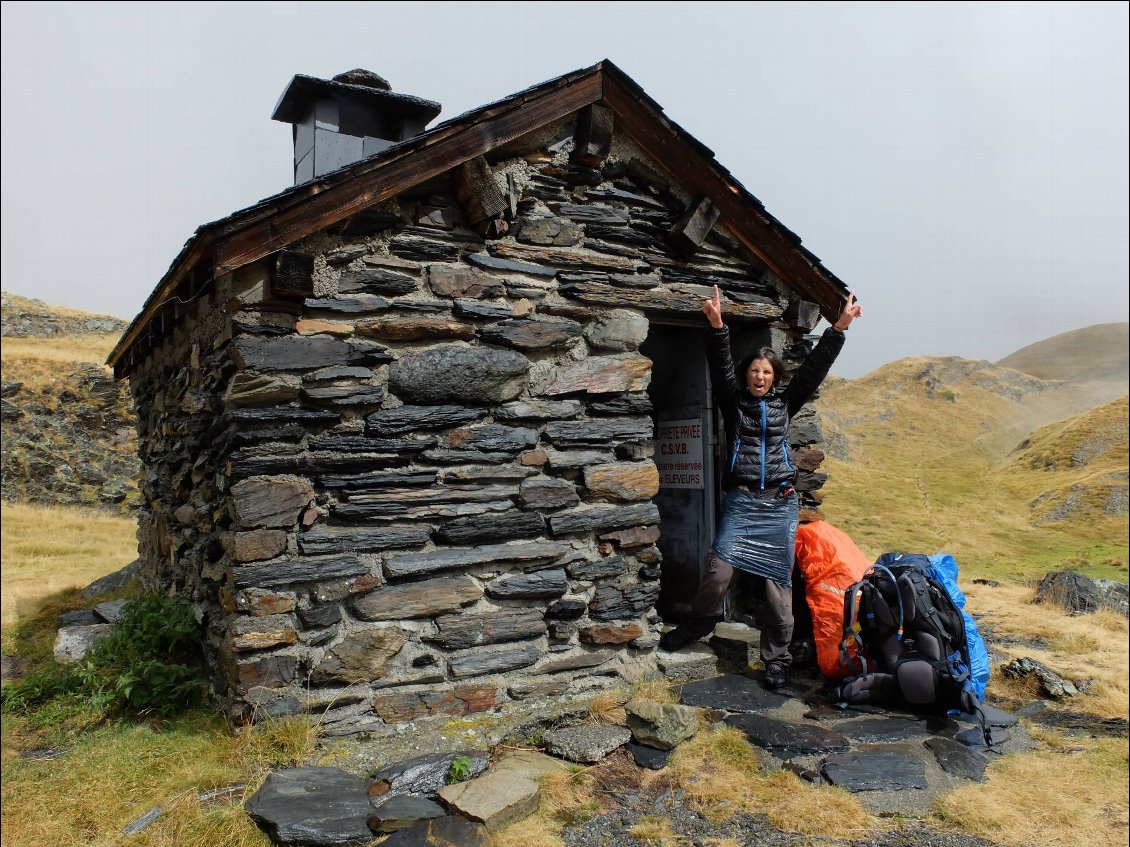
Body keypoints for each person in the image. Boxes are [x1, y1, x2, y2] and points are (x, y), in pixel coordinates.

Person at [659, 285, 863, 690]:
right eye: (754, 370)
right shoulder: (734, 406)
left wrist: (839, 327)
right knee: (717, 573)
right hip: (743, 501)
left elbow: (814, 369)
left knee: (778, 590)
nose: (760, 376)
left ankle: (776, 659)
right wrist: (717, 324)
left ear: (774, 379)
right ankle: (697, 626)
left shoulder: (786, 405)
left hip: (780, 504)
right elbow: (720, 369)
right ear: (748, 374)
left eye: (767, 372)